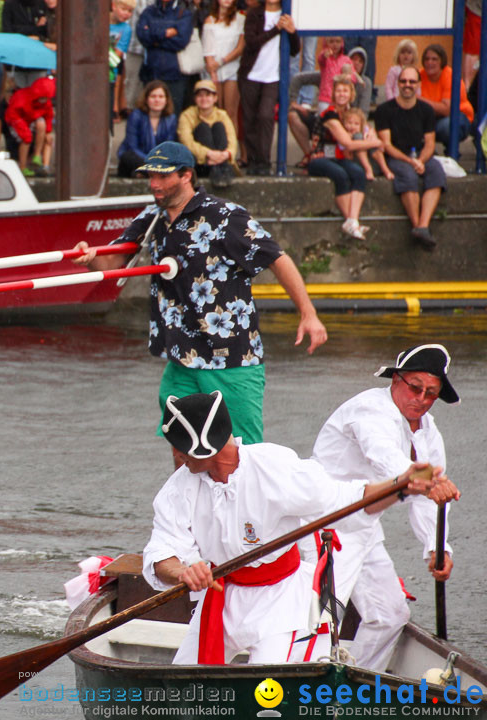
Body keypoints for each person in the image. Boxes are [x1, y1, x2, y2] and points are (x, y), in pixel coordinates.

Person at [142, 391, 457, 665]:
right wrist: (182, 572)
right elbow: (162, 552)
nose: (176, 455)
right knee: (183, 685)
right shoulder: (177, 490)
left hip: (280, 601)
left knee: (269, 691)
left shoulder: (273, 465)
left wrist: (400, 485)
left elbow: (345, 500)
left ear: (205, 448)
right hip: (220, 598)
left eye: (179, 446)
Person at [73, 141, 327, 446]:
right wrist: (89, 258)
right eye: (151, 176)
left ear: (186, 176)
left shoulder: (224, 216)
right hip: (182, 358)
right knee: (183, 447)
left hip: (231, 357)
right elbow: (112, 263)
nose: (154, 184)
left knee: (242, 453)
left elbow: (276, 258)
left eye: (162, 176)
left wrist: (308, 314)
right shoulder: (151, 217)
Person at [311, 344, 459, 672]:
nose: (421, 398)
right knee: (316, 621)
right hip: (320, 526)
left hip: (363, 527)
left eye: (431, 393)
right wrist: (431, 479)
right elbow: (387, 463)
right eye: (414, 387)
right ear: (395, 380)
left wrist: (436, 549)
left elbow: (425, 500)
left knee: (391, 616)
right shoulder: (369, 411)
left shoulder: (429, 432)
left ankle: (348, 687)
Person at [374, 67, 447, 251]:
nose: (407, 85)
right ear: (398, 83)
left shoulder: (426, 110)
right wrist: (411, 162)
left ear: (419, 85)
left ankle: (423, 226)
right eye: (404, 81)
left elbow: (430, 143)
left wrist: (421, 160)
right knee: (408, 176)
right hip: (398, 157)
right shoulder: (384, 110)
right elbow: (387, 145)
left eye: (412, 82)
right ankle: (418, 227)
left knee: (437, 172)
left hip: (420, 155)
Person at [304, 75, 380, 241]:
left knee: (358, 173)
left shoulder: (350, 113)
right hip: (320, 157)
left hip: (339, 157)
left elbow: (365, 128)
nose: (341, 94)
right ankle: (351, 222)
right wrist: (375, 142)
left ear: (351, 94)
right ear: (333, 93)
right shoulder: (330, 115)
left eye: (345, 91)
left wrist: (371, 135)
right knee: (340, 175)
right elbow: (348, 143)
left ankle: (352, 220)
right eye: (338, 90)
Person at [238, 0, 299, 175]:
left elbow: (295, 50)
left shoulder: (287, 14)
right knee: (249, 119)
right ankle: (253, 160)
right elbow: (251, 42)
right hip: (250, 74)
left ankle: (264, 161)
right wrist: (275, 30)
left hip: (273, 77)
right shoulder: (254, 13)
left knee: (265, 116)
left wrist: (292, 32)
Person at [135, 0, 193, 114]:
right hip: (151, 72)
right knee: (149, 115)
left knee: (172, 116)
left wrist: (154, 40)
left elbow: (181, 41)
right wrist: (166, 33)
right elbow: (142, 36)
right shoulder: (148, 12)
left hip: (175, 74)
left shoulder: (183, 13)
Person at [177, 78, 235, 187]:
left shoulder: (222, 114)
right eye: (200, 95)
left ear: (215, 98)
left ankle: (220, 167)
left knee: (218, 126)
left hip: (221, 159)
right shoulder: (187, 115)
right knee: (202, 128)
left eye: (208, 95)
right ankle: (216, 168)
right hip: (201, 163)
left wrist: (227, 154)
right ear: (195, 98)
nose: (204, 99)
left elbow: (232, 138)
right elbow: (186, 141)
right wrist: (208, 153)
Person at [419, 44, 473, 152]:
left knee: (447, 126)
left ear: (442, 61)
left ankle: (452, 153)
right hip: (430, 117)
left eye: (434, 59)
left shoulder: (450, 76)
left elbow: (447, 110)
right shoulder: (419, 75)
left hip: (458, 116)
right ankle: (429, 154)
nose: (430, 62)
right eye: (427, 59)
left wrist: (419, 100)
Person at [118, 79, 177, 178]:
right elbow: (132, 146)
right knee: (127, 156)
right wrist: (151, 162)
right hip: (137, 160)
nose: (157, 100)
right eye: (153, 96)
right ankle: (152, 173)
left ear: (166, 100)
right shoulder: (135, 116)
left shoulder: (171, 119)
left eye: (161, 96)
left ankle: (146, 173)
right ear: (146, 99)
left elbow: (168, 147)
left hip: (159, 163)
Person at [5, 75, 55, 177]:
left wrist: (48, 131)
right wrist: (24, 131)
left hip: (32, 120)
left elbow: (48, 116)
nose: (44, 100)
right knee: (26, 138)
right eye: (42, 98)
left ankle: (43, 164)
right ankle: (23, 167)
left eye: (46, 98)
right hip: (17, 120)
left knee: (47, 135)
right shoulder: (22, 98)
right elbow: (12, 115)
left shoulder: (46, 102)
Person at [201, 0, 243, 117]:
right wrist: (213, 72)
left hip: (232, 69)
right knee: (215, 111)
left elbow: (239, 49)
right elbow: (207, 51)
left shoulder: (240, 19)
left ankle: (231, 136)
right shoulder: (210, 20)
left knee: (230, 112)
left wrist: (221, 62)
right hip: (213, 71)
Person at [342, 107, 390, 183]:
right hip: (356, 166)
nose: (352, 126)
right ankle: (368, 169)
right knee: (358, 138)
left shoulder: (366, 132)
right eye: (349, 123)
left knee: (366, 139)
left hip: (374, 165)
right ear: (344, 123)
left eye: (356, 124)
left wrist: (370, 141)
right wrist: (351, 142)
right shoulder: (343, 137)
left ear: (361, 126)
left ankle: (385, 169)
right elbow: (348, 157)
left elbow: (381, 147)